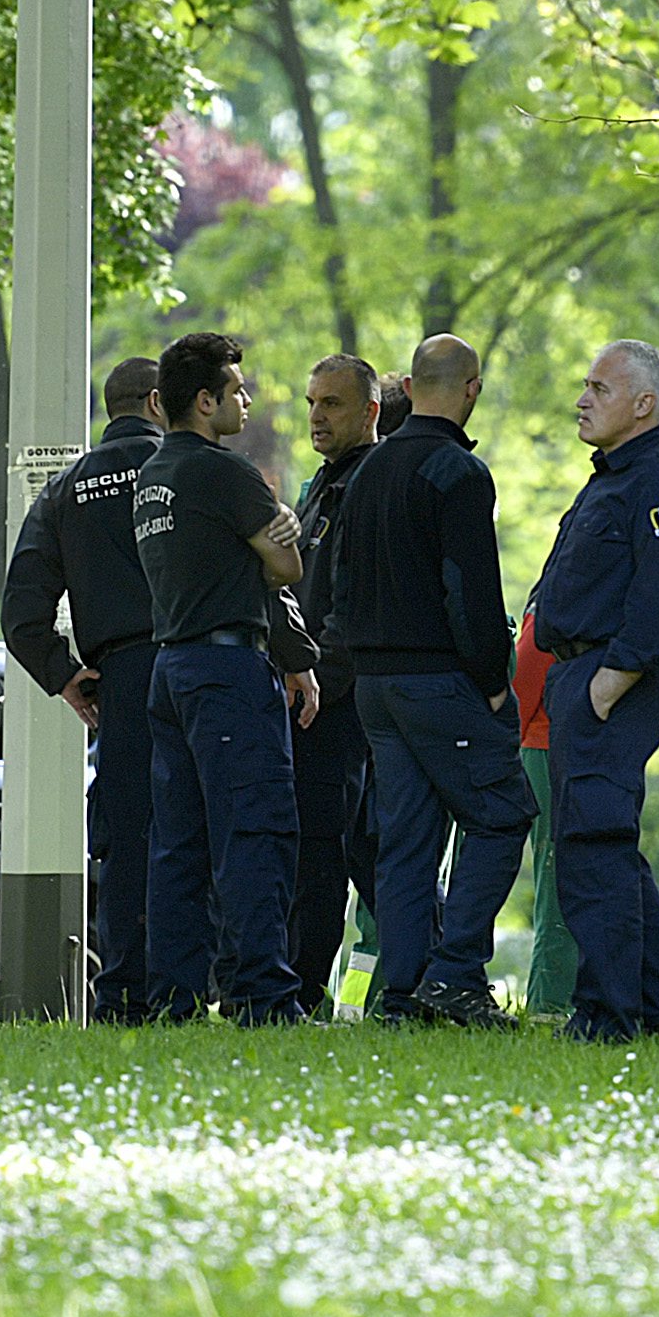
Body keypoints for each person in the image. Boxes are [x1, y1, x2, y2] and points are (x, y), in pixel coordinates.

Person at [332, 334, 531, 1029]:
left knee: (408, 839)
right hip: (437, 680)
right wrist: (492, 678)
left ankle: (402, 994)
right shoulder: (457, 475)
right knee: (504, 814)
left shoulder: (367, 473)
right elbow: (470, 593)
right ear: (471, 389)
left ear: (410, 389)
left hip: (374, 686)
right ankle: (456, 978)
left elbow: (338, 581)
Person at [131, 332, 317, 1025]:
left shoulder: (154, 476)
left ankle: (174, 998)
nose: (245, 400)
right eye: (235, 390)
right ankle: (261, 996)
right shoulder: (223, 471)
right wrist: (278, 535)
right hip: (228, 668)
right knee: (254, 830)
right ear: (205, 401)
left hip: (170, 666)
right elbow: (288, 566)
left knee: (179, 844)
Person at [531, 340, 659, 1042]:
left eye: (598, 389)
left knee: (594, 842)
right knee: (600, 844)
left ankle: (607, 1016)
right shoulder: (610, 477)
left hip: (614, 675)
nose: (582, 399)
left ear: (643, 404)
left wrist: (609, 685)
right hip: (581, 671)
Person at [0, 356, 167, 1023]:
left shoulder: (67, 489)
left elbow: (21, 608)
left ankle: (123, 992)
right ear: (159, 402)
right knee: (207, 823)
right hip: (199, 665)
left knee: (126, 838)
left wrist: (65, 675)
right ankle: (198, 985)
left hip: (120, 681)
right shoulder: (189, 470)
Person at [289, 353, 385, 1016]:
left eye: (333, 404)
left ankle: (306, 991)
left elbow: (357, 604)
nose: (317, 417)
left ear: (370, 411)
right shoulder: (321, 485)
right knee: (334, 853)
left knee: (331, 852)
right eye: (312, 403)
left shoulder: (370, 485)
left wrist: (318, 679)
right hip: (312, 695)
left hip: (343, 704)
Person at [512, 607, 578, 1019]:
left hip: (549, 745)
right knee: (560, 875)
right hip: (551, 747)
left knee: (560, 877)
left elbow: (520, 686)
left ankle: (554, 999)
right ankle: (552, 999)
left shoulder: (554, 608)